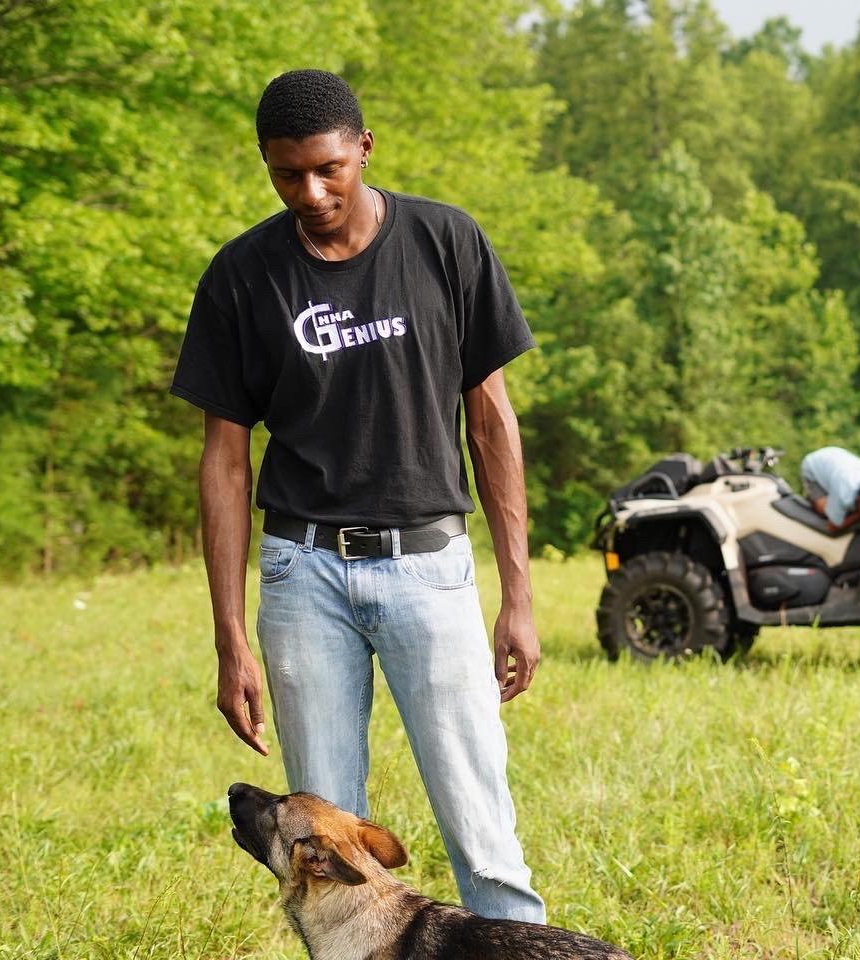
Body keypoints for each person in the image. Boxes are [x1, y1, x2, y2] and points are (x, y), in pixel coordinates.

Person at [169, 69, 545, 923]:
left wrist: (518, 594)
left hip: (430, 570)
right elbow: (224, 463)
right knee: (321, 856)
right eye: (287, 174)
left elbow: (491, 424)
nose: (311, 192)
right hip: (302, 578)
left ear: (364, 148)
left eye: (329, 169)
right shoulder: (240, 277)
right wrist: (231, 634)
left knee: (484, 837)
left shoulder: (447, 244)